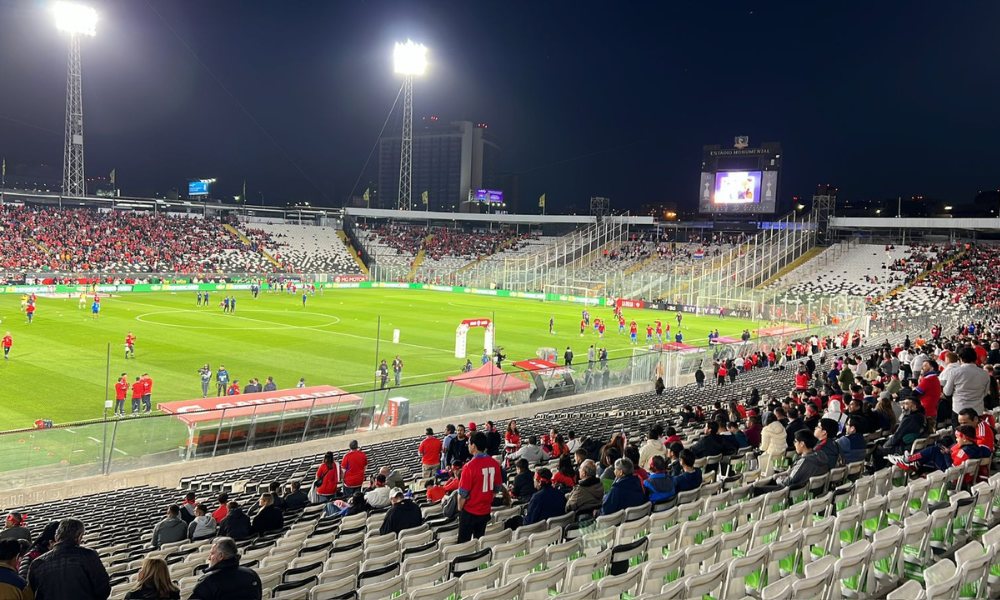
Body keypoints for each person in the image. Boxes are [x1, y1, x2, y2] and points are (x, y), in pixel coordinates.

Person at [27, 518, 110, 600]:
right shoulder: (88, 556)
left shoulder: (37, 563)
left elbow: (32, 593)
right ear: (80, 537)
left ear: (56, 537)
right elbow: (103, 589)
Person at [457, 432, 511, 542]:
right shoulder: (495, 464)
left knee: (463, 545)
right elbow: (497, 488)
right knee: (479, 542)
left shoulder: (469, 467)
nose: (468, 445)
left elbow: (462, 495)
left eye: (469, 443)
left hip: (470, 513)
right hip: (485, 511)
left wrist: (460, 510)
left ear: (474, 445)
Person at [189, 537, 262, 600]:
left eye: (212, 553)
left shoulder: (208, 582)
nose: (209, 558)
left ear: (221, 556)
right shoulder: (252, 575)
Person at [944, 347, 991, 416]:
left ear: (960, 359)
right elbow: (985, 393)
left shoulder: (954, 372)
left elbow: (947, 392)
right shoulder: (985, 373)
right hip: (977, 410)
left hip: (959, 410)